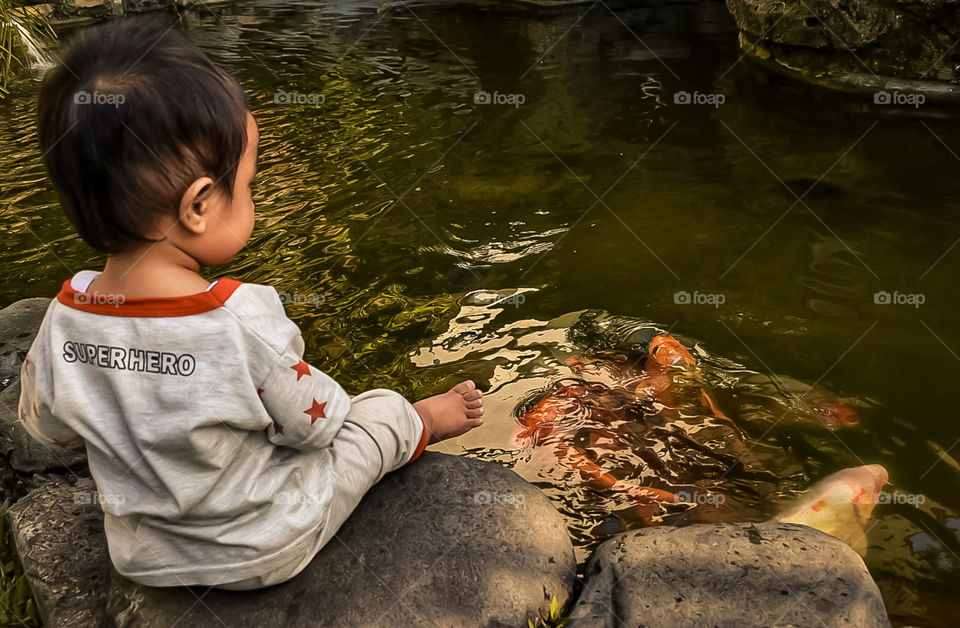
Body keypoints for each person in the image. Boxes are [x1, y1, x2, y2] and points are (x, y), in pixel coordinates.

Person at [17, 18, 484, 590]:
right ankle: (422, 422)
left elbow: (48, 430)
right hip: (265, 545)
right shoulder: (239, 316)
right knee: (375, 411)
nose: (254, 197)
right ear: (199, 206)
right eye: (250, 183)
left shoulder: (66, 317)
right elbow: (319, 427)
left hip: (142, 557)